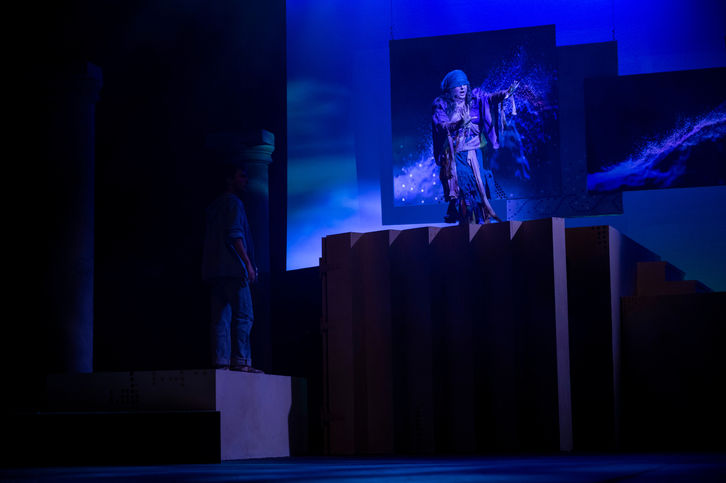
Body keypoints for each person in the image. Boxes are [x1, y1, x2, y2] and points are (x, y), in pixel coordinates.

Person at [432, 69, 518, 223]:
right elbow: (441, 125)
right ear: (450, 89)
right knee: (464, 187)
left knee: (480, 189)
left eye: (464, 84)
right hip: (456, 155)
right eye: (458, 85)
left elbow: (491, 98)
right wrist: (459, 123)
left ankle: (482, 224)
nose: (462, 88)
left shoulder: (475, 98)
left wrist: (505, 93)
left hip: (476, 153)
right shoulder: (441, 104)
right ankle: (461, 217)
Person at [201, 164, 262, 373]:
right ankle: (242, 361)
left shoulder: (213, 206)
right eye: (241, 176)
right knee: (244, 316)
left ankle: (221, 362)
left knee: (220, 318)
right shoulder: (234, 203)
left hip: (215, 272)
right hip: (233, 270)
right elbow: (235, 235)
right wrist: (248, 264)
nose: (245, 180)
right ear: (229, 179)